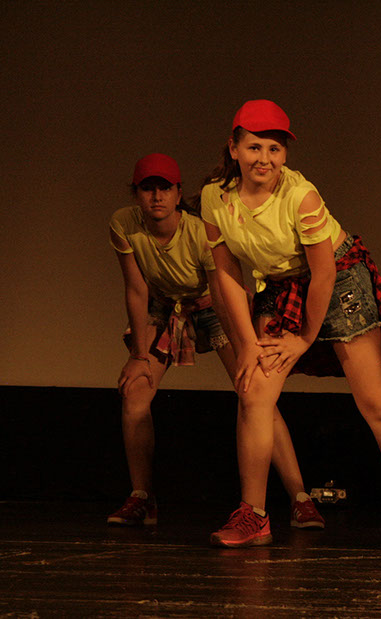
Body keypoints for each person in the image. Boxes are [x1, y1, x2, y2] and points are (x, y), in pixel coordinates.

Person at [199, 100, 381, 550]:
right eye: (255, 147)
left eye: (275, 149)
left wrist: (304, 339)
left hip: (338, 280)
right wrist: (246, 343)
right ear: (234, 148)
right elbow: (226, 271)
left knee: (377, 403)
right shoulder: (214, 198)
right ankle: (253, 515)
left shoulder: (301, 196)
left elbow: (322, 274)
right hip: (282, 284)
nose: (265, 159)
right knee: (255, 393)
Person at [108, 153, 322, 530]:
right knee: (135, 391)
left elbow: (223, 291)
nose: (156, 196)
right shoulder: (124, 224)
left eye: (164, 188)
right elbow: (136, 289)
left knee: (255, 392)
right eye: (147, 188)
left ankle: (300, 497)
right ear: (136, 193)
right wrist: (139, 355)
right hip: (166, 306)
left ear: (178, 194)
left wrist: (246, 348)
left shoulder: (196, 231)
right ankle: (142, 497)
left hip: (212, 304)